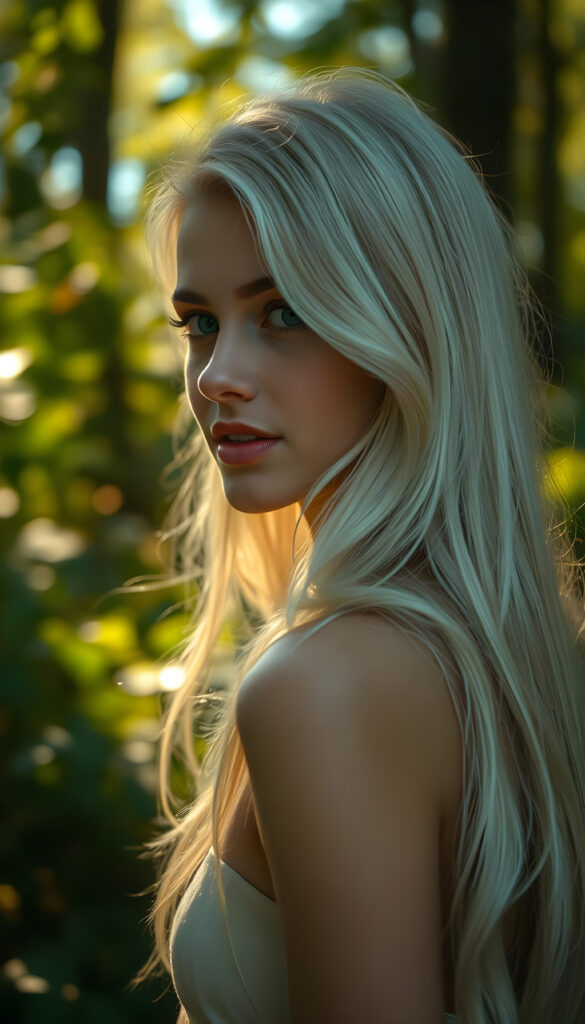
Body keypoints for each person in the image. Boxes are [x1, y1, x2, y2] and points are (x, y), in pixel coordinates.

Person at [131, 68, 585, 1023]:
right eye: (201, 324)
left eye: (283, 312)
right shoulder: (520, 648)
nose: (216, 376)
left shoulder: (321, 685)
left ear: (411, 328)